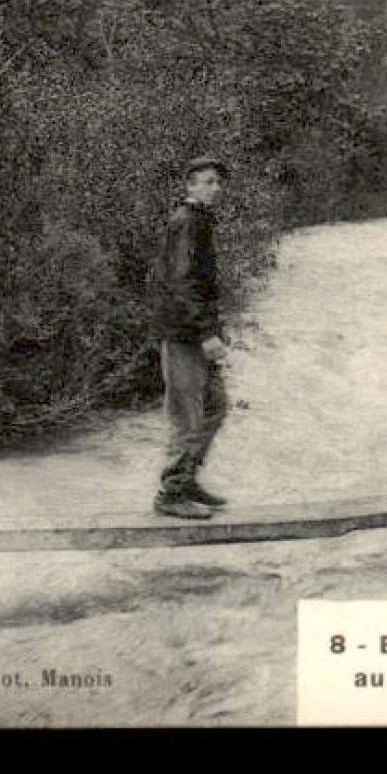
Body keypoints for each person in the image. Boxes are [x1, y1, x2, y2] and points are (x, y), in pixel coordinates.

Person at [149, 156, 232, 519]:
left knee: (215, 405)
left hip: (194, 332)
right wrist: (206, 334)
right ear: (191, 186)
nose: (216, 189)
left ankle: (188, 479)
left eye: (218, 183)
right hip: (185, 335)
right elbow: (183, 284)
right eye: (209, 182)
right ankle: (171, 494)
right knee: (187, 414)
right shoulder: (186, 222)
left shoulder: (199, 220)